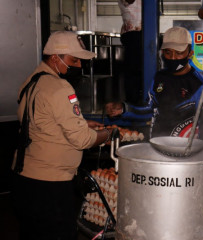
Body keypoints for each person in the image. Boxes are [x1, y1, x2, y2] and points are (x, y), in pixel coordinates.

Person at [11, 31, 114, 240]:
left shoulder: (33, 80)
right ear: (55, 58)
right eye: (73, 60)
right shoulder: (60, 87)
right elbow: (83, 140)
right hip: (51, 186)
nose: (78, 66)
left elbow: (40, 122)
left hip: (25, 180)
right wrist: (108, 133)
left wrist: (82, 123)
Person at [106, 26, 203, 142]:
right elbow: (150, 110)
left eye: (179, 53)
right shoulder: (159, 77)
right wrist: (124, 109)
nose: (173, 58)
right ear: (162, 52)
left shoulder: (201, 85)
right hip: (157, 146)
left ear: (190, 54)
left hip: (186, 152)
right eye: (168, 52)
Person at [118, 0, 143, 105]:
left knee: (140, 70)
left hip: (141, 33)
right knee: (134, 71)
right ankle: (133, 103)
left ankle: (139, 100)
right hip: (134, 34)